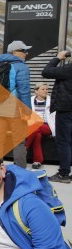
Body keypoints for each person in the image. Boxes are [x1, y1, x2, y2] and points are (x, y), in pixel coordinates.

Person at [0, 40, 32, 168]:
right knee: (19, 141)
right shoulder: (21, 67)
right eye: (23, 50)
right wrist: (27, 110)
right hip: (15, 107)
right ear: (14, 52)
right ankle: (20, 171)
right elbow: (24, 90)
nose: (26, 53)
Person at [42, 49, 72, 183]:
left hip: (66, 110)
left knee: (63, 141)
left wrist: (58, 58)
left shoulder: (68, 69)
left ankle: (64, 174)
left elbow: (46, 72)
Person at [26, 83, 55, 169]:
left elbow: (55, 117)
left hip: (47, 126)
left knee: (34, 128)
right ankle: (37, 161)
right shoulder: (29, 101)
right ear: (36, 91)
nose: (46, 91)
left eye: (47, 89)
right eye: (43, 89)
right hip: (34, 126)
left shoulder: (52, 101)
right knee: (37, 135)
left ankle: (23, 151)